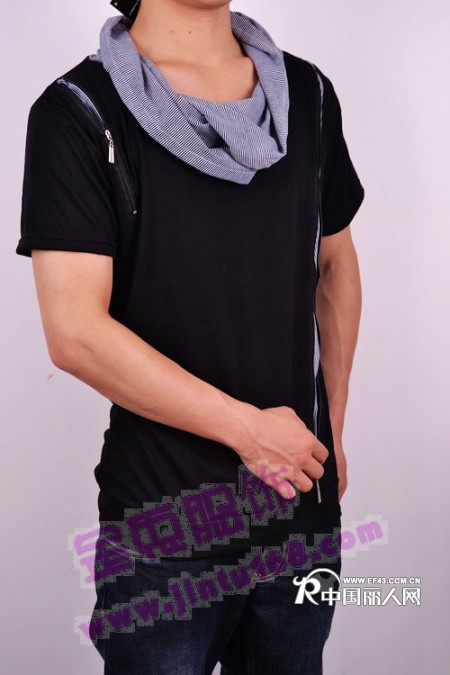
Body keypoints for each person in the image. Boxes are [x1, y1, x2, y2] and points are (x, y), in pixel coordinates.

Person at [16, 0, 364, 672]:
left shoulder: (308, 95)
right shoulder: (79, 110)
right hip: (165, 527)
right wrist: (250, 432)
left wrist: (332, 431)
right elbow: (75, 332)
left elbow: (336, 265)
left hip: (299, 515)